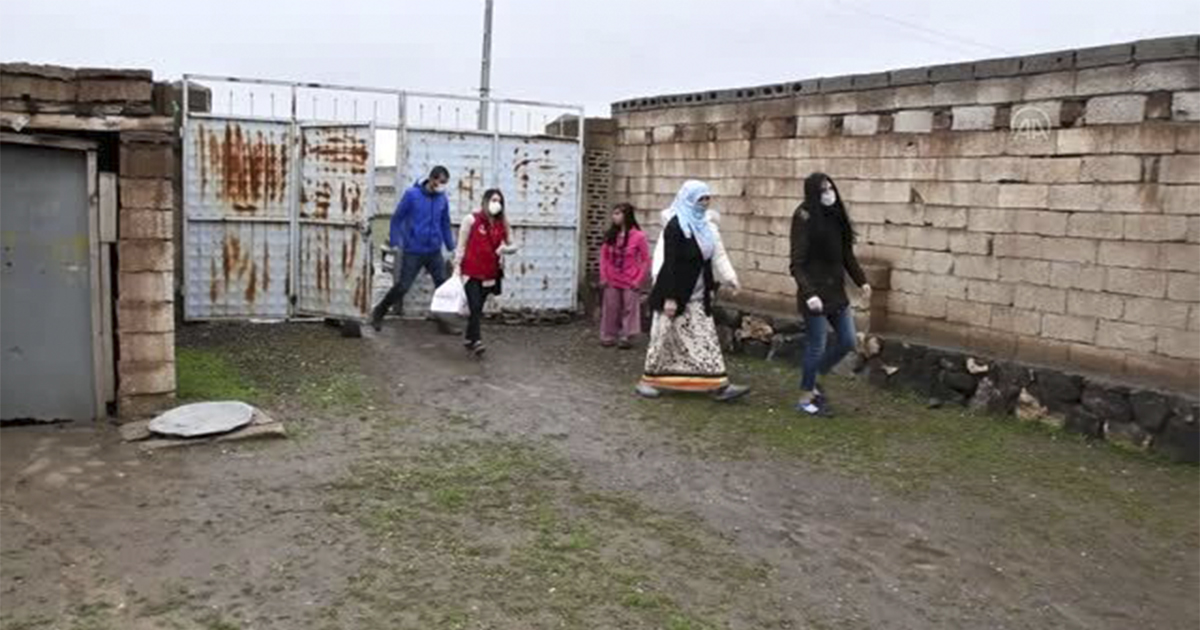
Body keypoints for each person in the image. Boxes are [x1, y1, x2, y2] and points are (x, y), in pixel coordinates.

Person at [637, 180, 749, 402]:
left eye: (708, 199)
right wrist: (669, 297)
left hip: (698, 295)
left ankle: (719, 385)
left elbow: (718, 256)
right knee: (662, 338)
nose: (705, 203)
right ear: (689, 199)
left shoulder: (708, 228)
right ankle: (648, 381)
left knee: (706, 339)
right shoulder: (675, 226)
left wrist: (731, 279)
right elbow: (666, 263)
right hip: (674, 295)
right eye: (700, 199)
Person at [789, 172, 871, 416]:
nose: (829, 194)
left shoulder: (836, 216)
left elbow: (847, 255)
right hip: (814, 293)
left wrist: (861, 281)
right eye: (823, 190)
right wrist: (809, 292)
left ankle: (814, 379)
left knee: (847, 341)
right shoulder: (803, 217)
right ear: (814, 193)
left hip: (836, 291)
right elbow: (797, 262)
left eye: (830, 188)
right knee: (817, 344)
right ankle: (805, 399)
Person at [371, 165, 456, 332]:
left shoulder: (442, 198)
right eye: (440, 182)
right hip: (413, 250)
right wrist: (396, 242)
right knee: (403, 286)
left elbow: (445, 222)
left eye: (445, 183)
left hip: (434, 251)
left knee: (442, 286)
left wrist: (451, 247)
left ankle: (444, 322)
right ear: (431, 179)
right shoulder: (412, 195)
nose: (442, 186)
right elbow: (397, 218)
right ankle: (378, 312)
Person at [454, 188, 517, 356]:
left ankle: (469, 337)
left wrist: (505, 249)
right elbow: (461, 245)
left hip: (490, 273)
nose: (496, 204)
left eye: (499, 201)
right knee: (474, 306)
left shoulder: (502, 223)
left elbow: (514, 245)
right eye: (493, 200)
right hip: (471, 271)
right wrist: (456, 267)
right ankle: (477, 341)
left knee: (478, 308)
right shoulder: (471, 220)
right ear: (485, 201)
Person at [599, 203, 650, 349]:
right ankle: (608, 335)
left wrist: (638, 279)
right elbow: (604, 257)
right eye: (613, 213)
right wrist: (604, 276)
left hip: (630, 279)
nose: (614, 216)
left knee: (629, 308)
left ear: (626, 216)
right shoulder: (610, 235)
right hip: (612, 278)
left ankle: (627, 336)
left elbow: (645, 259)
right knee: (611, 307)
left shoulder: (639, 236)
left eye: (617, 213)